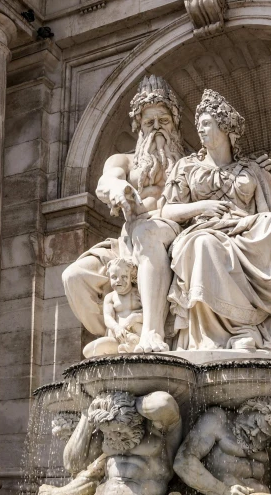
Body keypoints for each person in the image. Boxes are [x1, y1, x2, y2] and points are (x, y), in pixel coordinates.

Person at [160, 89, 271, 353]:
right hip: (203, 230)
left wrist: (253, 223)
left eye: (207, 123)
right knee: (203, 245)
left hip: (244, 230)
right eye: (199, 124)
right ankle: (219, 335)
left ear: (225, 128)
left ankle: (254, 324)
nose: (200, 129)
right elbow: (167, 211)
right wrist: (202, 206)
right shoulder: (186, 167)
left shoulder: (252, 169)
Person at [62, 75, 185, 353]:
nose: (156, 129)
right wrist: (119, 187)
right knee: (74, 276)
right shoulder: (124, 160)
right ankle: (120, 335)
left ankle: (151, 333)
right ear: (138, 127)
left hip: (172, 230)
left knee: (146, 233)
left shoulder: (188, 163)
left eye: (163, 121)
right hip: (125, 241)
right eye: (148, 122)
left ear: (175, 124)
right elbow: (107, 180)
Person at [36, 390, 182, 495]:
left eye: (119, 432)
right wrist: (88, 414)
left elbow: (163, 402)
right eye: (109, 434)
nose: (114, 438)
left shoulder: (161, 434)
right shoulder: (107, 435)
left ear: (135, 421)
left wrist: (126, 405)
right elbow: (72, 464)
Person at [82, 257, 143, 357]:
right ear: (109, 277)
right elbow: (108, 317)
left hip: (137, 334)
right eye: (114, 277)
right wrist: (116, 328)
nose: (119, 281)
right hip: (118, 337)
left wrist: (135, 317)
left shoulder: (138, 293)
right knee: (88, 351)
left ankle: (134, 344)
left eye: (124, 276)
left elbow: (151, 314)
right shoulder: (110, 297)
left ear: (131, 276)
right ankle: (126, 347)